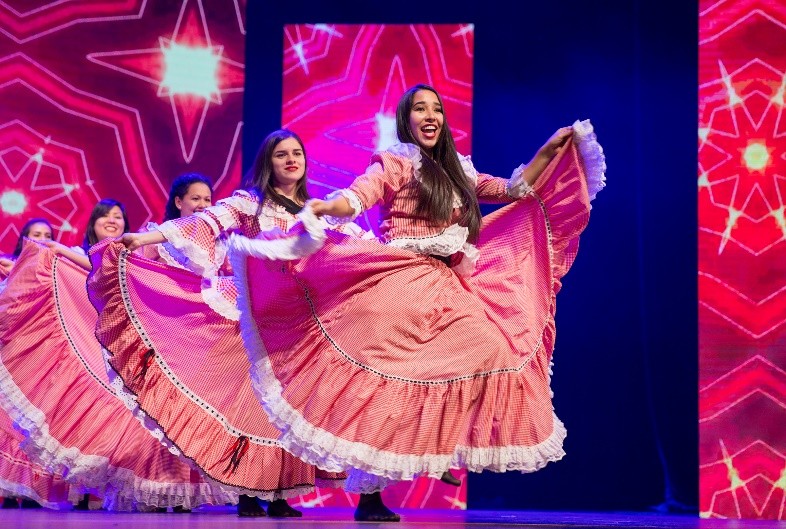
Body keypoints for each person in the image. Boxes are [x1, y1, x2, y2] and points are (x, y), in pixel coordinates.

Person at [225, 84, 607, 521]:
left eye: (437, 109)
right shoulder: (397, 161)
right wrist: (329, 207)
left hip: (446, 285)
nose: (430, 116)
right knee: (388, 387)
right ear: (407, 119)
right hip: (401, 279)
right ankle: (370, 497)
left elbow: (513, 190)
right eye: (420, 109)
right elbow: (360, 195)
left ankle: (439, 446)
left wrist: (547, 152)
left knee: (491, 348)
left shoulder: (458, 170)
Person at [89, 130, 368, 517]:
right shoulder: (249, 203)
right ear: (267, 162)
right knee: (252, 407)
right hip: (252, 314)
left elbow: (358, 244)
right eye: (281, 154)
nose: (291, 160)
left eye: (297, 153)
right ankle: (248, 492)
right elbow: (202, 222)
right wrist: (143, 239)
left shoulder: (316, 209)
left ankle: (280, 495)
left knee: (287, 408)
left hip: (295, 322)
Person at [0, 200, 233, 511]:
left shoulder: (141, 252)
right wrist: (54, 252)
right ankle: (92, 491)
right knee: (93, 419)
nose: (112, 220)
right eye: (105, 216)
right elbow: (92, 267)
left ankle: (162, 491)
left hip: (135, 344)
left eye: (118, 216)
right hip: (92, 344)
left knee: (146, 419)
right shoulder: (85, 256)